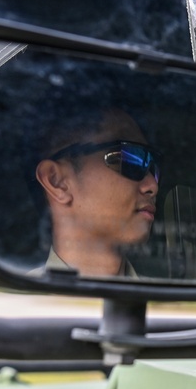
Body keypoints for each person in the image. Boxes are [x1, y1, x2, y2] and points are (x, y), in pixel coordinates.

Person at [33, 107, 160, 276]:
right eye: (129, 159)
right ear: (57, 182)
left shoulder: (168, 300)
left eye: (154, 168)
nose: (153, 185)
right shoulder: (7, 301)